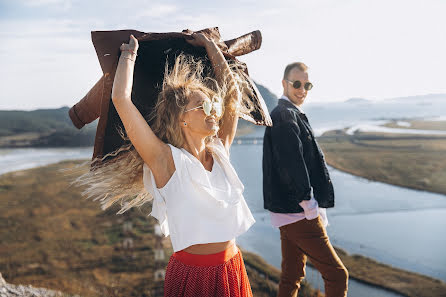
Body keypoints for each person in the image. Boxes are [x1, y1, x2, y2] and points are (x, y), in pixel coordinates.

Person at [84, 33, 256, 296]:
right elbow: (121, 100)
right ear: (181, 119)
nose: (213, 111)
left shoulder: (221, 151)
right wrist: (129, 55)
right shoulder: (165, 160)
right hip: (192, 276)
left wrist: (212, 47)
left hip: (232, 270)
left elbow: (232, 93)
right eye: (203, 105)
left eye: (213, 104)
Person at [262, 62, 348, 297]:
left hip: (288, 212)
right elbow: (292, 165)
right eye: (296, 84)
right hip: (298, 211)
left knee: (292, 275)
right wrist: (309, 206)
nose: (302, 89)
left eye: (307, 85)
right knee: (337, 275)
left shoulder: (288, 113)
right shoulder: (284, 115)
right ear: (284, 84)